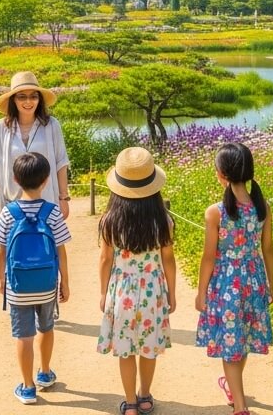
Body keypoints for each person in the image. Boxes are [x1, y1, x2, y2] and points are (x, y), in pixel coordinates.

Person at [194, 143, 273, 415]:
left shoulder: (215, 212)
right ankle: (235, 392)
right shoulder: (262, 207)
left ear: (221, 174)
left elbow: (208, 256)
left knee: (233, 342)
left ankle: (240, 407)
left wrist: (201, 291)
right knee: (243, 339)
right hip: (254, 280)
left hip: (226, 284)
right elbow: (268, 250)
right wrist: (270, 286)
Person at [97, 147, 176, 415]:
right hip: (153, 291)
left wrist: (102, 292)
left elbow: (106, 260)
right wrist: (172, 294)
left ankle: (130, 402)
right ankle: (144, 397)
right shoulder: (163, 221)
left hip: (121, 290)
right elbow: (169, 260)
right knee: (148, 348)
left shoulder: (110, 221)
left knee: (125, 350)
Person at [0, 151, 71, 405]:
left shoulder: (8, 213)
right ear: (47, 180)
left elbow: (1, 250)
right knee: (46, 328)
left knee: (23, 336)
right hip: (47, 285)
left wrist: (1, 279)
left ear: (15, 179)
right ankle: (45, 373)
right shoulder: (53, 212)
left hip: (18, 286)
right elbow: (61, 249)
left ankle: (27, 387)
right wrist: (65, 282)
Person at [0, 71, 71, 225]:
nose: (28, 101)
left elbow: (61, 163)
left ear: (39, 99)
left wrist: (63, 197)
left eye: (33, 96)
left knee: (48, 246)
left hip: (47, 202)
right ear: (14, 100)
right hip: (11, 205)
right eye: (22, 97)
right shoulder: (1, 127)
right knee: (11, 247)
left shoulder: (51, 125)